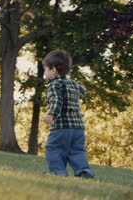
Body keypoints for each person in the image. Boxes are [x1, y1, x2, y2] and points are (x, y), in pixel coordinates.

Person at [42, 49, 95, 178]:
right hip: (77, 128)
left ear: (53, 70)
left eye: (45, 69)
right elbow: (83, 92)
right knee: (76, 150)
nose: (45, 73)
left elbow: (57, 101)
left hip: (61, 126)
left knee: (53, 149)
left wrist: (51, 114)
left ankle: (58, 172)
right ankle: (84, 170)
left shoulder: (54, 85)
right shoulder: (73, 84)